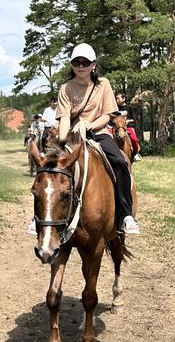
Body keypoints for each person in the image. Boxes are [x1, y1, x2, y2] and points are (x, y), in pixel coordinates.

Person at [57, 43, 140, 235]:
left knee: (120, 161)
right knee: (50, 164)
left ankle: (125, 215)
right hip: (74, 135)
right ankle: (39, 218)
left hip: (99, 133)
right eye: (76, 62)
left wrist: (89, 125)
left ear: (93, 64)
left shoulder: (103, 85)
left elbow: (108, 115)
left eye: (85, 62)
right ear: (72, 64)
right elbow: (65, 118)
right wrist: (62, 141)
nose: (81, 66)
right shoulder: (66, 88)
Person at [113, 90, 142, 161]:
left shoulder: (129, 107)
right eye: (116, 98)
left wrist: (127, 121)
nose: (117, 100)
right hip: (117, 128)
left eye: (118, 98)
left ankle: (135, 153)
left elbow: (134, 119)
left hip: (128, 127)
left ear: (123, 99)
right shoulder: (115, 109)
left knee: (134, 139)